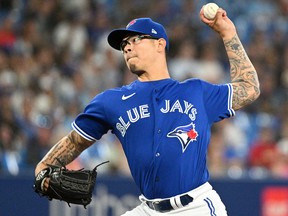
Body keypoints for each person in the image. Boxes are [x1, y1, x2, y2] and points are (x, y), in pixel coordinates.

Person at [34, 6, 260, 216]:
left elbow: (249, 88)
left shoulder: (195, 92)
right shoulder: (111, 101)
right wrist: (44, 166)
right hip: (148, 209)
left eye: (135, 39)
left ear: (160, 44)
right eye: (123, 45)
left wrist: (228, 33)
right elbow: (75, 142)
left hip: (197, 206)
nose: (127, 47)